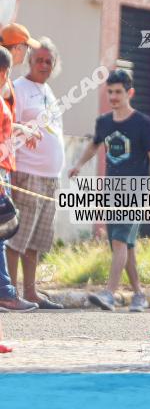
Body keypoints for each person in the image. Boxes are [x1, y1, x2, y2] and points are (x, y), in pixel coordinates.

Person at [68, 69, 150, 313]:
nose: (113, 96)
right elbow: (94, 144)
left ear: (129, 93)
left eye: (118, 92)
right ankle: (139, 295)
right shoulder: (104, 122)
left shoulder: (144, 124)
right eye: (110, 92)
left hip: (136, 191)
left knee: (120, 241)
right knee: (125, 245)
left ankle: (109, 293)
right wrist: (78, 164)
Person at [6, 38, 64, 309]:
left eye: (48, 61)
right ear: (29, 61)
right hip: (27, 174)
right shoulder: (18, 88)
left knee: (37, 240)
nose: (43, 65)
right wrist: (14, 169)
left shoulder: (49, 91)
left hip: (50, 177)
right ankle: (11, 292)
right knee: (18, 237)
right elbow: (7, 129)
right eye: (39, 59)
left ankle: (31, 292)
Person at [0, 23, 42, 313]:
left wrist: (19, 129)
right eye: (25, 47)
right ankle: (5, 291)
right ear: (16, 48)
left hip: (4, 164)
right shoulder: (5, 82)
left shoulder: (7, 83)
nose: (26, 53)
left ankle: (5, 291)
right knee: (3, 230)